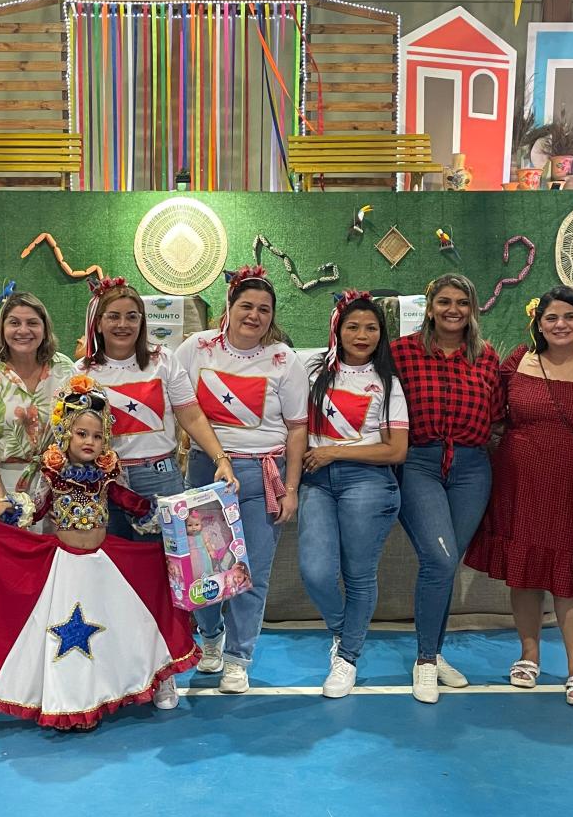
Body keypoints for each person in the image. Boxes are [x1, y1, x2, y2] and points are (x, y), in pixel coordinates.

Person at [0, 376, 199, 729]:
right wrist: (6, 506)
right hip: (64, 569)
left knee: (109, 632)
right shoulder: (53, 475)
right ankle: (69, 703)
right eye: (82, 433)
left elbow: (134, 505)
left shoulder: (107, 476)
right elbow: (34, 507)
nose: (89, 441)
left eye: (97, 436)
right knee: (66, 643)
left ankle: (125, 687)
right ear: (66, 433)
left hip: (102, 569)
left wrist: (175, 519)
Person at [464, 287, 573, 707]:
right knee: (524, 572)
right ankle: (529, 655)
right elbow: (489, 413)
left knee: (572, 576)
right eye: (551, 318)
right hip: (518, 480)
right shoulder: (518, 361)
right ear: (538, 323)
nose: (560, 325)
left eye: (569, 316)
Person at [172, 266, 307, 694]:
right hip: (205, 471)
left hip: (262, 473)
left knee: (252, 572)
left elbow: (298, 428)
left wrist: (291, 488)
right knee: (203, 566)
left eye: (264, 309)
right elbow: (177, 404)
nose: (254, 315)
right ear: (228, 307)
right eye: (246, 306)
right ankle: (210, 637)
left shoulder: (285, 360)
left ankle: (238, 657)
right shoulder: (196, 348)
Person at [391, 274, 502, 704]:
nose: (453, 310)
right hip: (420, 463)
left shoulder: (486, 357)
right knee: (438, 558)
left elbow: (496, 414)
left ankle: (435, 655)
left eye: (462, 302)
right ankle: (424, 660)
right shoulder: (402, 352)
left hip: (472, 468)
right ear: (430, 306)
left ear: (473, 309)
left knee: (447, 563)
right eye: (444, 301)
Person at [298, 291, 409, 699]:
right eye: (353, 326)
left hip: (368, 482)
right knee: (315, 572)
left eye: (371, 328)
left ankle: (347, 656)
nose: (362, 335)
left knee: (359, 574)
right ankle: (344, 630)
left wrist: (333, 452)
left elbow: (396, 450)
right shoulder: (312, 370)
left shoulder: (388, 383)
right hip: (316, 482)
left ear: (382, 334)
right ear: (337, 330)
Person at [76, 276, 236, 540]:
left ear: (142, 321)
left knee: (165, 561)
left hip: (159, 479)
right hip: (102, 480)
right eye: (113, 316)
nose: (123, 324)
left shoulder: (163, 361)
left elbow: (191, 416)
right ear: (99, 323)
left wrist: (221, 459)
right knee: (111, 559)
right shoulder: (81, 373)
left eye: (132, 317)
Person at [0, 291, 75, 529]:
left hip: (56, 486)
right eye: (14, 323)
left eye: (32, 323)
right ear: (2, 329)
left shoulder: (64, 368)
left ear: (45, 328)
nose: (23, 330)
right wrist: (4, 501)